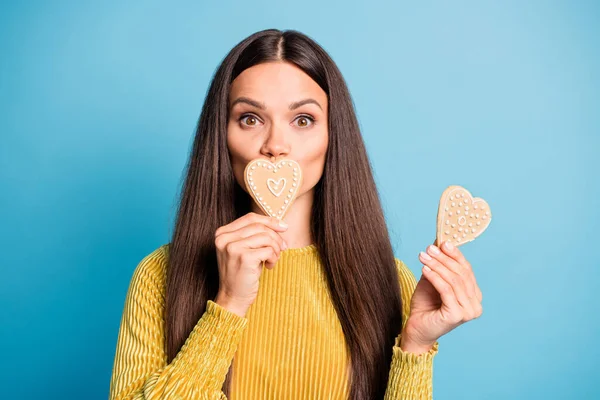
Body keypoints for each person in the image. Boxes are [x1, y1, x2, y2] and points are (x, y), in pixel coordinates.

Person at [108, 28, 483, 400]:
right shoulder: (160, 275)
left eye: (303, 120)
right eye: (250, 119)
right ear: (221, 137)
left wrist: (415, 345)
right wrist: (227, 307)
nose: (275, 145)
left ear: (333, 136)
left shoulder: (390, 281)